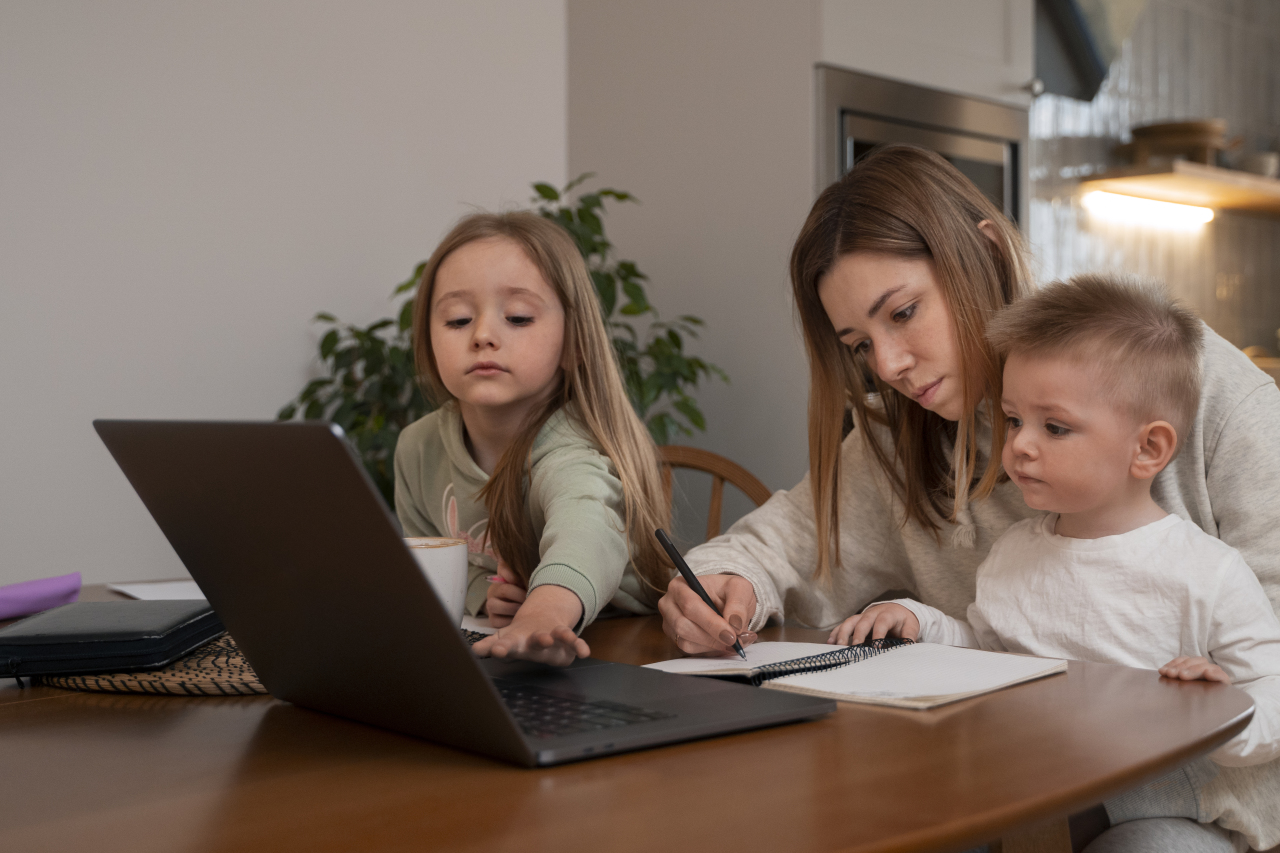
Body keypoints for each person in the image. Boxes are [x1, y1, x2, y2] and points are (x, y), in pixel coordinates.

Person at [657, 144, 1280, 845]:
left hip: (1200, 800)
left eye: (903, 312)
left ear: (982, 251)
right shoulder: (901, 442)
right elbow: (782, 542)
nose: (887, 365)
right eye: (859, 343)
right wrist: (723, 580)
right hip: (1008, 780)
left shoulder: (1202, 387)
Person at [831, 275, 1280, 853]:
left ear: (1148, 449)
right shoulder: (1014, 554)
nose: (1019, 446)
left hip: (1171, 813)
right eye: (1015, 420)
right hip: (1041, 799)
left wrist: (1222, 710)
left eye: (1056, 427)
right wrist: (925, 625)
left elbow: (1272, 691)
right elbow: (992, 656)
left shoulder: (1207, 572)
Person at [394, 211, 671, 665]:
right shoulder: (417, 448)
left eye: (518, 317)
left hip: (622, 651)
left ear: (574, 342)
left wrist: (542, 613)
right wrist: (484, 594)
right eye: (458, 320)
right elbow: (433, 571)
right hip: (504, 653)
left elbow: (586, 533)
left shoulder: (569, 450)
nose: (483, 335)